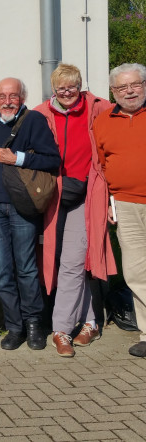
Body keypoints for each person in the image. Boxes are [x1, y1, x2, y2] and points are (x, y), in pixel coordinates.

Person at [0, 78, 60, 351]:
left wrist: (18, 158)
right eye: (2, 96)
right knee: (1, 271)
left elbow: (52, 160)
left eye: (13, 96)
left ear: (22, 97)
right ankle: (14, 327)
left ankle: (34, 325)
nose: (7, 101)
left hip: (23, 205)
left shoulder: (34, 121)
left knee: (27, 268)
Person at [33, 64, 116, 357]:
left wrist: (111, 198)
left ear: (80, 85)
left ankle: (61, 329)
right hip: (53, 194)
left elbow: (114, 149)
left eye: (72, 86)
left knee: (72, 261)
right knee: (73, 261)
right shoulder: (40, 113)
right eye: (60, 87)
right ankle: (91, 322)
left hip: (86, 194)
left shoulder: (99, 108)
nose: (66, 92)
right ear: (53, 89)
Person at [93, 63, 146, 358]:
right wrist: (108, 203)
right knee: (137, 271)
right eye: (122, 87)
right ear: (113, 92)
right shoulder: (102, 121)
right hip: (125, 204)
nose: (129, 91)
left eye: (135, 84)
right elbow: (100, 168)